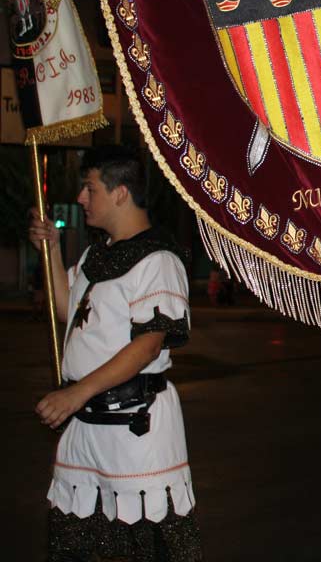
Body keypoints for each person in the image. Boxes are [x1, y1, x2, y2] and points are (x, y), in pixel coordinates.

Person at [28, 146, 201, 562]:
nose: (82, 198)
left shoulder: (159, 258)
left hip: (135, 433)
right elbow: (68, 311)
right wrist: (51, 250)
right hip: (87, 431)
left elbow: (147, 345)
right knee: (78, 542)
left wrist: (75, 393)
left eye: (89, 189)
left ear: (121, 192)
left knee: (150, 543)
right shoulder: (96, 254)